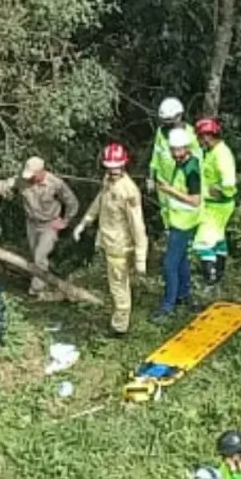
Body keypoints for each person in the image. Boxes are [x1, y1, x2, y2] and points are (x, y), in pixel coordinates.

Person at [72, 142, 148, 337]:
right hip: (108, 241)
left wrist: (140, 257)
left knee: (118, 287)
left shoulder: (128, 191)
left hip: (120, 247)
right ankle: (122, 315)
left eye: (116, 167)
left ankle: (119, 327)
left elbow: (138, 226)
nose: (112, 171)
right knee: (118, 284)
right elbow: (99, 203)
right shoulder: (108, 182)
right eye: (109, 167)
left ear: (123, 165)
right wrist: (84, 223)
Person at [0, 157, 79, 299]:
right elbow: (3, 185)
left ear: (41, 172)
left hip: (50, 225)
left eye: (33, 175)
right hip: (32, 224)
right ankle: (51, 281)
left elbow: (72, 202)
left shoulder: (56, 184)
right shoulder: (22, 181)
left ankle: (35, 291)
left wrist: (65, 221)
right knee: (36, 258)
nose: (30, 178)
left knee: (40, 256)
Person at [149, 128, 201, 321]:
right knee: (181, 261)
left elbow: (195, 200)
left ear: (187, 148)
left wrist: (169, 191)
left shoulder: (191, 169)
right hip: (178, 221)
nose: (177, 154)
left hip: (184, 223)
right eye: (174, 151)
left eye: (180, 150)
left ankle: (168, 307)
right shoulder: (183, 164)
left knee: (169, 264)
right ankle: (183, 295)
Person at [193, 117, 237, 285]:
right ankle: (219, 278)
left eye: (200, 137)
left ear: (207, 136)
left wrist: (221, 192)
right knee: (217, 239)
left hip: (217, 206)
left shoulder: (221, 154)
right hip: (213, 205)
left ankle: (210, 282)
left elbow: (229, 182)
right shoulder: (212, 152)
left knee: (203, 242)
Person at [148, 97, 201, 229]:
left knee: (183, 214)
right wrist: (151, 177)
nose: (167, 126)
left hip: (181, 186)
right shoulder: (161, 132)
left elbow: (197, 162)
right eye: (165, 122)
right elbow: (155, 156)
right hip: (163, 183)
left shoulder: (190, 135)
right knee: (166, 213)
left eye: (170, 122)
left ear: (179, 116)